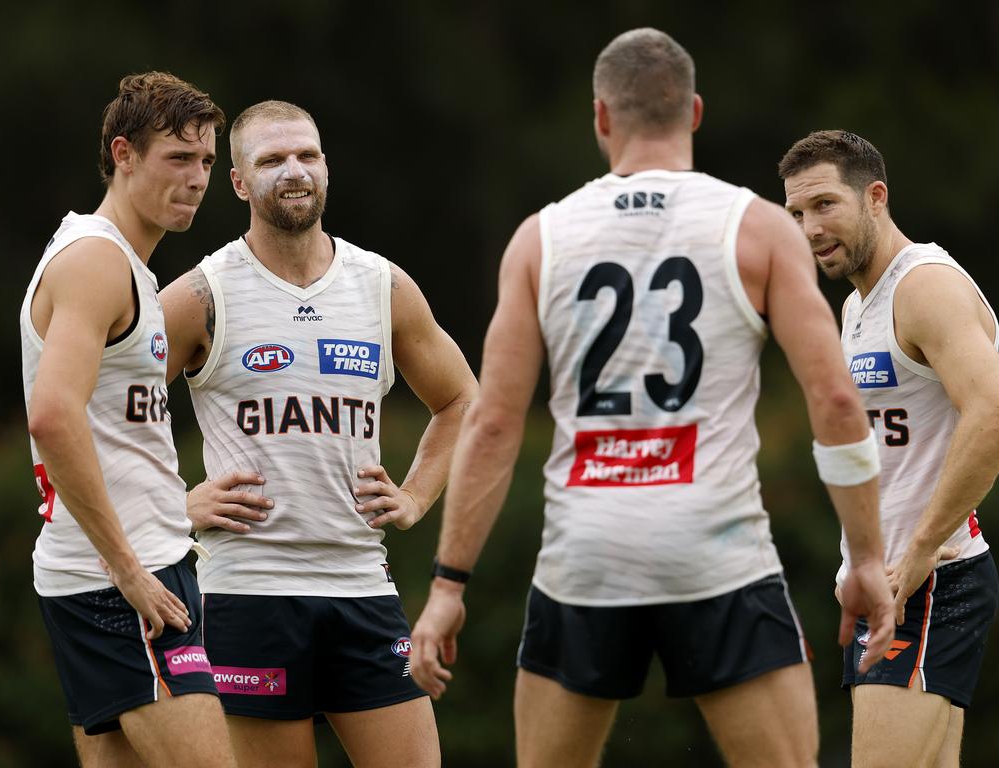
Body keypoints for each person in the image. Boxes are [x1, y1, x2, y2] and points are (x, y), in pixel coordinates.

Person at [410, 28, 895, 768]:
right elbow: (833, 400)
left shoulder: (541, 238)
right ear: (695, 112)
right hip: (719, 556)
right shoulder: (760, 227)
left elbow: (495, 423)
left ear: (601, 118)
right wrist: (865, 558)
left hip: (586, 559)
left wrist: (448, 585)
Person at [159, 100, 478, 768]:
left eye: (306, 155)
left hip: (363, 586)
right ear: (241, 183)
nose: (293, 171)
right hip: (248, 594)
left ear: (326, 168)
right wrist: (171, 509)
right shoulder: (201, 294)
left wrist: (417, 495)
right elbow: (98, 411)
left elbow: (461, 400)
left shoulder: (381, 285)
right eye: (272, 160)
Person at [20, 72, 240, 767]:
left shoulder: (128, 270)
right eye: (179, 158)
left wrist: (174, 510)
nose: (198, 177)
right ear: (123, 155)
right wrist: (130, 572)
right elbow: (52, 417)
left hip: (124, 566)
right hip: (122, 580)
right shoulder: (97, 262)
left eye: (207, 160)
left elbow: (107, 432)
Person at [780, 130, 999, 768]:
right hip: (892, 587)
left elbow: (990, 415)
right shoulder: (858, 307)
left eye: (824, 205)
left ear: (875, 197)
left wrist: (919, 555)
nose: (810, 229)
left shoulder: (923, 287)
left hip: (932, 584)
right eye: (796, 214)